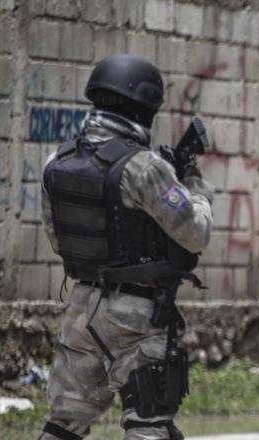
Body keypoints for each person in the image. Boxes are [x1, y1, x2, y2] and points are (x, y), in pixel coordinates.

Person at [37, 54, 214, 440]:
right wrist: (195, 188)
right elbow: (195, 233)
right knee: (147, 425)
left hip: (80, 310)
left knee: (63, 424)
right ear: (145, 107)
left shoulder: (57, 160)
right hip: (136, 317)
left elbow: (56, 239)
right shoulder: (143, 167)